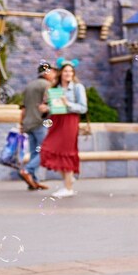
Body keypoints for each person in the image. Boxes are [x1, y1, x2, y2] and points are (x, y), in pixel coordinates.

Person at [41, 59, 88, 198]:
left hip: (70, 121)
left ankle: (68, 187)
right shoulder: (55, 88)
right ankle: (69, 178)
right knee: (48, 149)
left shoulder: (78, 87)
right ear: (61, 72)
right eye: (66, 71)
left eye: (71, 71)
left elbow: (83, 108)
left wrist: (68, 104)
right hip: (57, 121)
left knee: (66, 152)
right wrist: (46, 108)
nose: (68, 73)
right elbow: (56, 107)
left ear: (73, 73)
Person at [18, 62, 55, 191]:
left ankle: (34, 181)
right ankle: (27, 171)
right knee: (46, 150)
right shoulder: (47, 86)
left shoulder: (29, 86)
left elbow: (23, 108)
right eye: (52, 72)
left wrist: (21, 124)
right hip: (40, 123)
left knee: (35, 152)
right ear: (46, 73)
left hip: (28, 123)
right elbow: (52, 104)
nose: (54, 75)